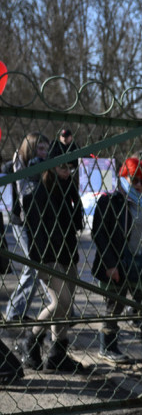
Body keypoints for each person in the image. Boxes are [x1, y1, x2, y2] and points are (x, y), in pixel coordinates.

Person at [18, 160, 85, 372]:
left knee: (66, 307)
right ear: (52, 167)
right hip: (48, 257)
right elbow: (36, 231)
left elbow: (77, 223)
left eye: (70, 168)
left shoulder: (66, 189)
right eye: (63, 167)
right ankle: (30, 340)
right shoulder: (38, 193)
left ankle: (58, 355)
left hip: (68, 253)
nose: (67, 172)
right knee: (61, 302)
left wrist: (74, 194)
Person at [92, 156, 142, 363]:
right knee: (114, 307)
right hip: (118, 263)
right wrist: (110, 264)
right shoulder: (110, 199)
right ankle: (107, 347)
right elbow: (99, 234)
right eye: (134, 179)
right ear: (124, 177)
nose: (138, 185)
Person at [5, 132, 53, 322]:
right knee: (34, 264)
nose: (43, 153)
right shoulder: (13, 167)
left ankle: (16, 310)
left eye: (46, 149)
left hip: (40, 221)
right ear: (31, 147)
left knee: (36, 264)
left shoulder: (44, 167)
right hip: (21, 221)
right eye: (40, 148)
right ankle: (15, 311)